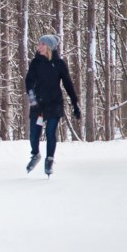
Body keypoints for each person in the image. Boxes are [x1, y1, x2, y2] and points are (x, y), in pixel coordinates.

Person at [24, 34, 81, 176]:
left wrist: (75, 104)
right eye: (39, 44)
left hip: (54, 103)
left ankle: (49, 160)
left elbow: (68, 84)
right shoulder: (35, 63)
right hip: (38, 104)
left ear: (49, 47)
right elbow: (28, 82)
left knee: (50, 132)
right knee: (34, 135)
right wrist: (33, 100)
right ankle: (35, 154)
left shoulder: (59, 64)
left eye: (42, 44)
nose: (39, 46)